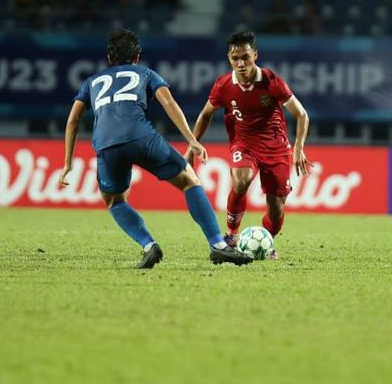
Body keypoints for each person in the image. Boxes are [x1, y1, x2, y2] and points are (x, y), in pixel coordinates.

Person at [58, 29, 252, 269]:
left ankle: (149, 245)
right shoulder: (146, 73)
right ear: (137, 56)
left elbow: (73, 120)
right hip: (141, 137)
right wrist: (191, 139)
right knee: (189, 180)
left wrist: (68, 163)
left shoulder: (91, 82)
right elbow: (169, 103)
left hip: (106, 145)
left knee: (114, 201)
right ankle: (218, 245)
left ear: (110, 58)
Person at [187, 31, 311, 259]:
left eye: (246, 57)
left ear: (255, 55)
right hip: (243, 144)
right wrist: (193, 144)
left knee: (276, 209)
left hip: (276, 147)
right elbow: (205, 114)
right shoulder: (223, 86)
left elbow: (302, 115)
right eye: (235, 59)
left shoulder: (272, 82)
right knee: (241, 180)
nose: (241, 63)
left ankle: (267, 242)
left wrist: (298, 147)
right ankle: (231, 235)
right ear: (229, 58)